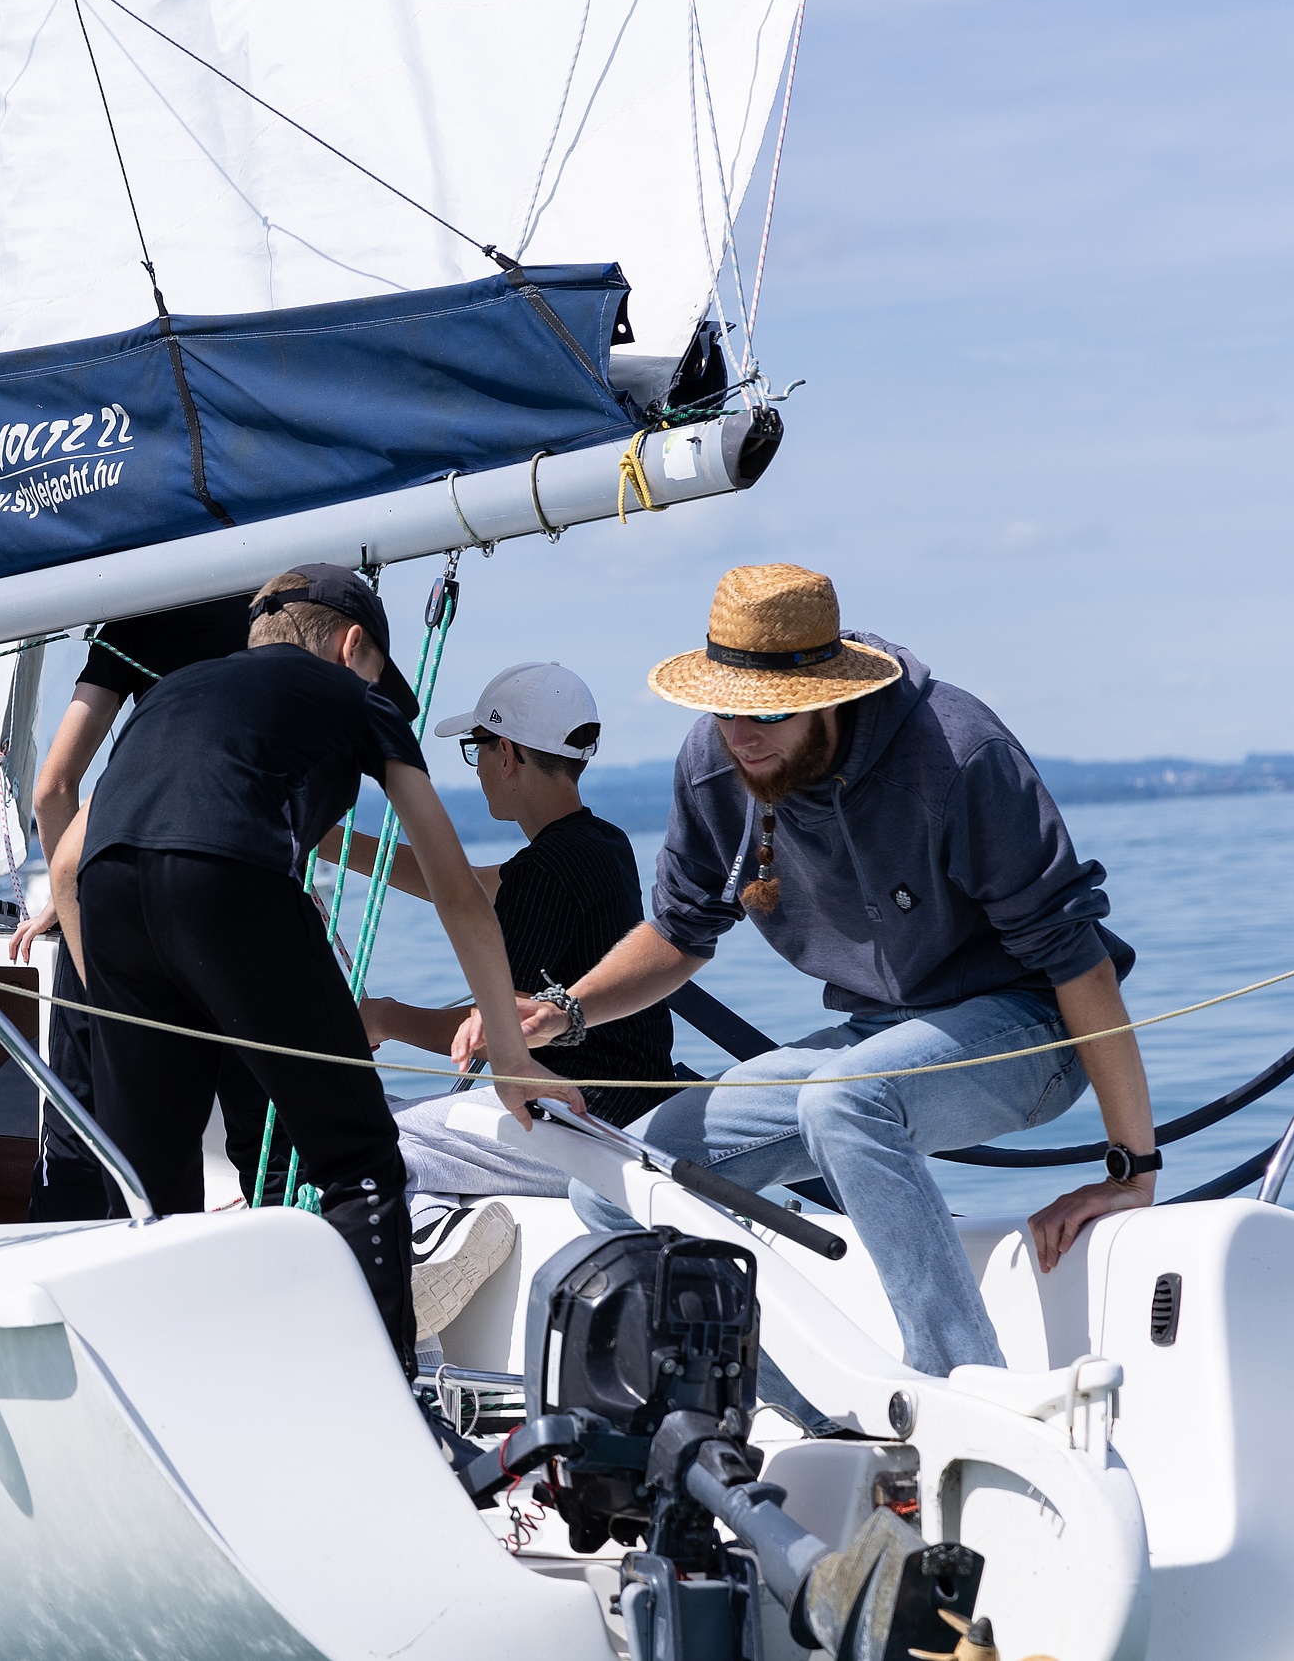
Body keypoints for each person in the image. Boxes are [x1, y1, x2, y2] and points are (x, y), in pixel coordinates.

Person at [457, 563, 1158, 1378]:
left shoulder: (959, 753)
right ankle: (814, 1407)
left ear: (833, 691)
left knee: (845, 1101)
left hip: (1034, 1027)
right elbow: (681, 934)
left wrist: (1131, 1168)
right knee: (614, 1182)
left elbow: (1080, 965)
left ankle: (964, 1391)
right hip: (873, 1038)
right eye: (724, 709)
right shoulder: (716, 762)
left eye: (766, 713)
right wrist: (561, 1009)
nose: (742, 736)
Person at [54, 565, 565, 1368]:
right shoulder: (360, 699)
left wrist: (128, 1010)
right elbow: (460, 894)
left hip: (108, 894)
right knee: (360, 1160)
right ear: (352, 644)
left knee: (154, 1195)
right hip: (229, 877)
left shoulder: (168, 696)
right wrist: (508, 1053)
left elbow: (62, 869)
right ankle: (381, 1400)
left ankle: (171, 1398)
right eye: (371, 668)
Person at [317, 662, 677, 1341]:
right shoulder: (597, 845)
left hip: (578, 1113)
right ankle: (445, 1222)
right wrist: (333, 842)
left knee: (375, 1138)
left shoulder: (548, 868)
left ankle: (431, 1246)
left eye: (476, 750)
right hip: (623, 1104)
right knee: (392, 1120)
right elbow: (462, 885)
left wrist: (386, 1016)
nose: (476, 767)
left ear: (506, 753)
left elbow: (499, 1023)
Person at [5, 594, 283, 1219]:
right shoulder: (273, 621)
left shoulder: (140, 617)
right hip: (235, 892)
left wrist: (64, 892)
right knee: (265, 1138)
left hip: (115, 888)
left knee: (91, 1135)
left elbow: (52, 788)